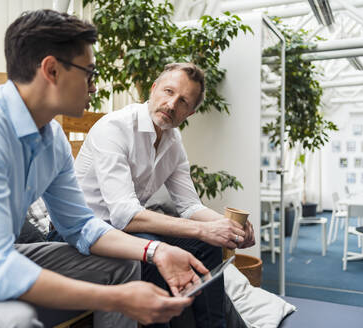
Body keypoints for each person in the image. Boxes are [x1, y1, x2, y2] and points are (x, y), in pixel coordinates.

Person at [0, 11, 209, 328]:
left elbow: (81, 227)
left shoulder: (53, 140)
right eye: (88, 72)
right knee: (12, 320)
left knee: (123, 264)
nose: (92, 86)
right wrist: (115, 298)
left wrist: (155, 251)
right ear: (52, 70)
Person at [50, 62, 256, 328]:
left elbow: (190, 206)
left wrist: (224, 226)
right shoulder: (115, 128)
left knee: (208, 245)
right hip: (79, 233)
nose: (171, 105)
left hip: (124, 231)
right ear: (154, 88)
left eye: (183, 101)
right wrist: (200, 229)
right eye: (168, 92)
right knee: (158, 249)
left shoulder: (173, 142)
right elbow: (125, 215)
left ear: (190, 113)